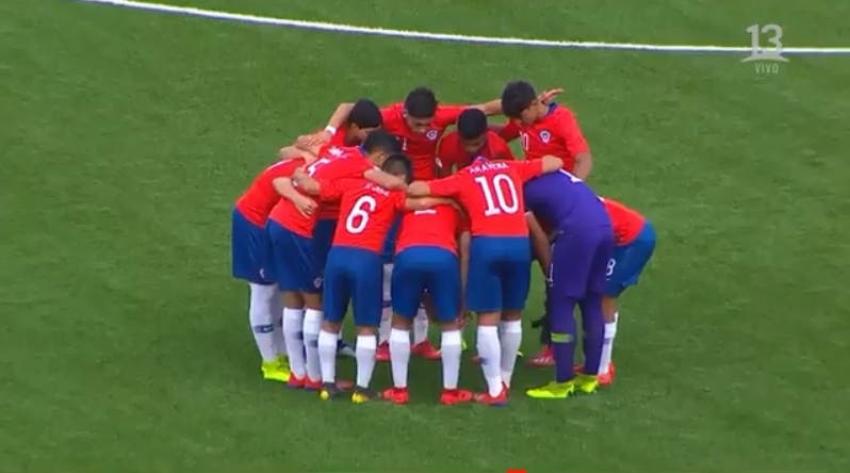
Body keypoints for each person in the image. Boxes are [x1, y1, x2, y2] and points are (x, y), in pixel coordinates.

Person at [408, 130, 563, 405]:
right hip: (518, 244)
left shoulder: (464, 177)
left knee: (487, 318)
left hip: (487, 245)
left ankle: (494, 390)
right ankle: (505, 380)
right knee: (512, 316)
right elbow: (555, 162)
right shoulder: (512, 167)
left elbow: (416, 189)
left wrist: (446, 198)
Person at [293, 154, 447, 403]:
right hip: (366, 259)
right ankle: (361, 389)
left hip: (337, 255)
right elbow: (421, 203)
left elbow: (312, 187)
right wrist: (447, 199)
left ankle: (327, 384)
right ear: (400, 177)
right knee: (366, 326)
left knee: (331, 321)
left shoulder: (351, 184)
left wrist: (300, 171)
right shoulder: (394, 195)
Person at [266, 131, 405, 390]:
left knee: (292, 299)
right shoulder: (362, 166)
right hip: (298, 228)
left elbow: (293, 155)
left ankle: (298, 373)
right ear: (380, 156)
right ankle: (315, 378)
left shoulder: (337, 150)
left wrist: (299, 173)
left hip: (278, 220)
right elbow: (391, 183)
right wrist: (404, 185)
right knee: (314, 303)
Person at [522, 170, 613, 399]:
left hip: (578, 233)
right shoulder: (557, 176)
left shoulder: (518, 188)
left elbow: (538, 236)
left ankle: (562, 382)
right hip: (605, 226)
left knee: (561, 303)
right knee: (592, 302)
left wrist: (551, 273)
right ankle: (589, 377)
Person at [232, 156, 315, 383]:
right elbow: (279, 182)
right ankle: (269, 362)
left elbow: (290, 149)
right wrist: (299, 199)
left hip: (268, 222)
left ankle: (283, 352)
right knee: (264, 290)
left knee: (278, 287)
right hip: (254, 223)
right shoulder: (307, 169)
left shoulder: (309, 158)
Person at [382, 197, 473, 405]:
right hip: (443, 255)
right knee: (450, 324)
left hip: (407, 254)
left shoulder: (406, 206)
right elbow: (465, 250)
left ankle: (399, 390)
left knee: (401, 321)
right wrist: (462, 298)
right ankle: (450, 391)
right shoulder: (454, 207)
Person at [500, 80, 593, 179]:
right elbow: (499, 135)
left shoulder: (561, 119)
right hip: (533, 179)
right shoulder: (523, 116)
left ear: (533, 104)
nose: (517, 122)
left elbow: (584, 159)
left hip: (558, 180)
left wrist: (572, 185)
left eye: (520, 116)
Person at [436, 108, 516, 176]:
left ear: (486, 133)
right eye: (465, 144)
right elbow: (444, 176)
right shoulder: (448, 145)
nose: (470, 149)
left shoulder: (498, 148)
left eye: (476, 144)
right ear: (458, 134)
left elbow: (513, 172)